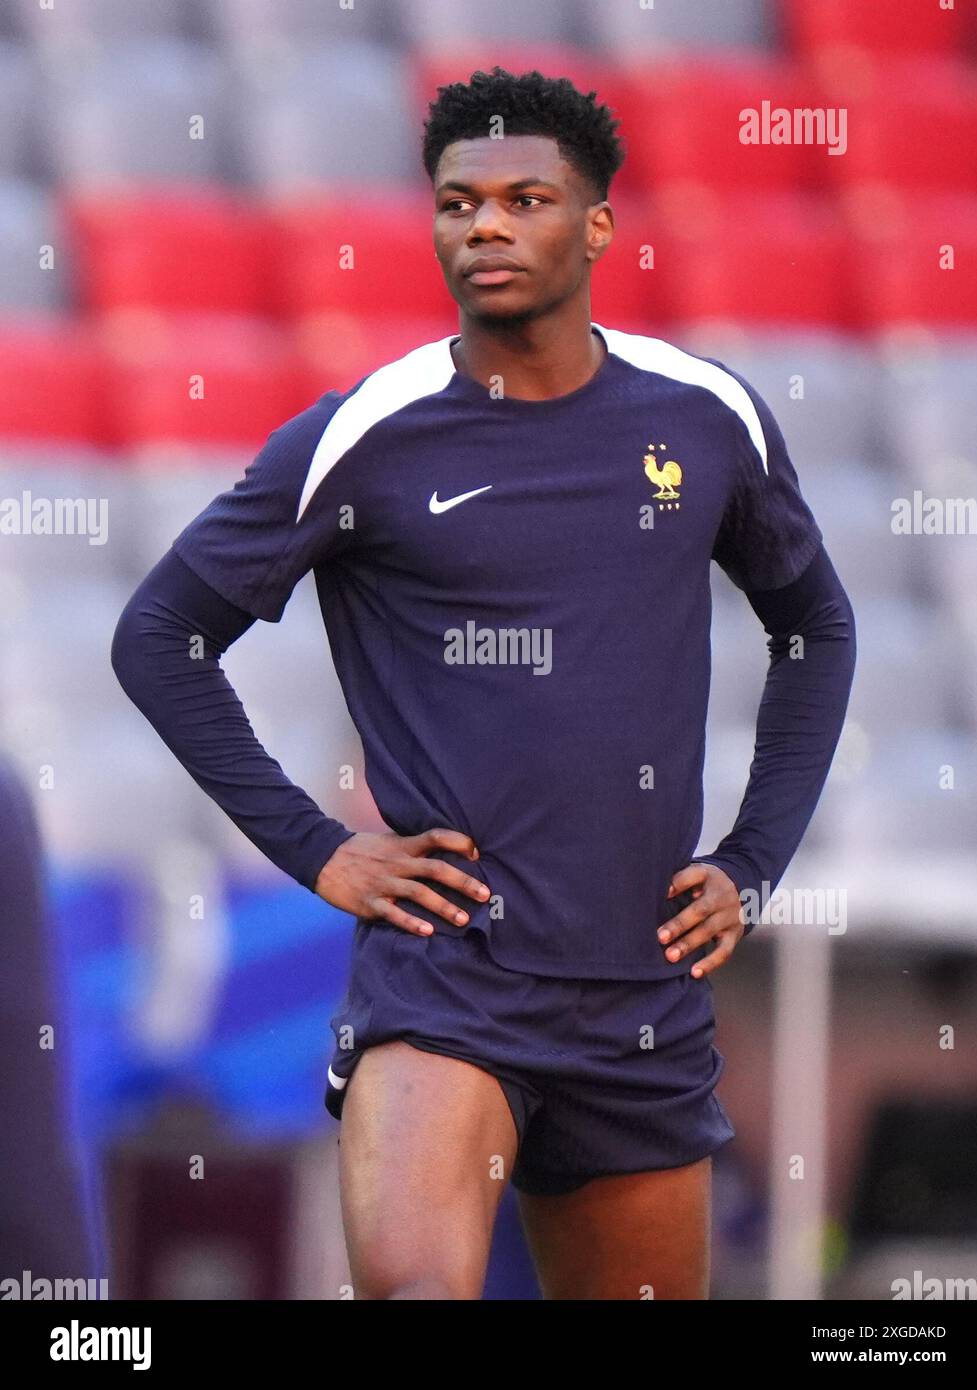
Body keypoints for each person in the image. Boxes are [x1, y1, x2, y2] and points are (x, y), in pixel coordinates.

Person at [112, 67, 856, 1300]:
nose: (487, 227)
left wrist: (754, 859)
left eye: (525, 199)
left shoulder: (709, 416)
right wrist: (316, 850)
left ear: (599, 224)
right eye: (459, 204)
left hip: (641, 989)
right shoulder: (369, 432)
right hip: (449, 980)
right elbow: (160, 636)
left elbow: (816, 627)